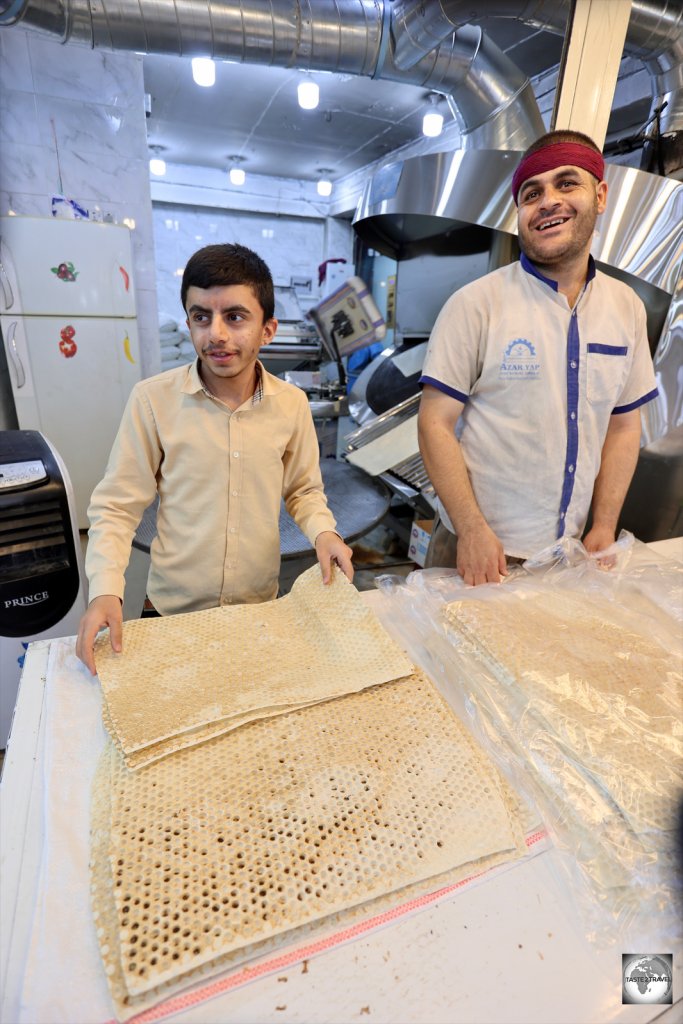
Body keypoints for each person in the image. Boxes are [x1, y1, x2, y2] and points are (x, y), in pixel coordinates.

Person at [76, 243, 353, 674]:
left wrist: (324, 533)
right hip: (171, 611)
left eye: (235, 317)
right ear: (188, 321)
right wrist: (106, 590)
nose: (216, 334)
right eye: (201, 316)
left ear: (268, 328)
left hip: (258, 609)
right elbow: (116, 505)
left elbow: (303, 489)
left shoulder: (291, 404)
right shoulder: (153, 401)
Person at [417, 129, 658, 586]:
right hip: (476, 548)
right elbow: (434, 423)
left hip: (566, 555)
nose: (548, 201)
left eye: (567, 184)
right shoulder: (476, 304)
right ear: (520, 213)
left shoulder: (626, 307)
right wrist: (470, 528)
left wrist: (604, 524)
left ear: (600, 195)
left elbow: (625, 424)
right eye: (532, 193)